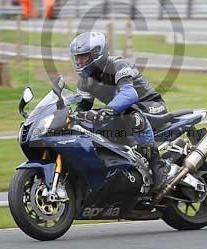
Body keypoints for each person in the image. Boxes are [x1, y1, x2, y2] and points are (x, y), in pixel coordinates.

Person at [70, 31, 168, 191]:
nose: (79, 61)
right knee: (90, 124)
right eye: (77, 57)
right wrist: (69, 117)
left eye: (83, 56)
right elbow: (83, 106)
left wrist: (106, 110)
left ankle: (158, 166)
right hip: (122, 111)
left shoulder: (118, 66)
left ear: (96, 54)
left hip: (152, 106)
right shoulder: (85, 81)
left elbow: (130, 94)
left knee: (130, 113)